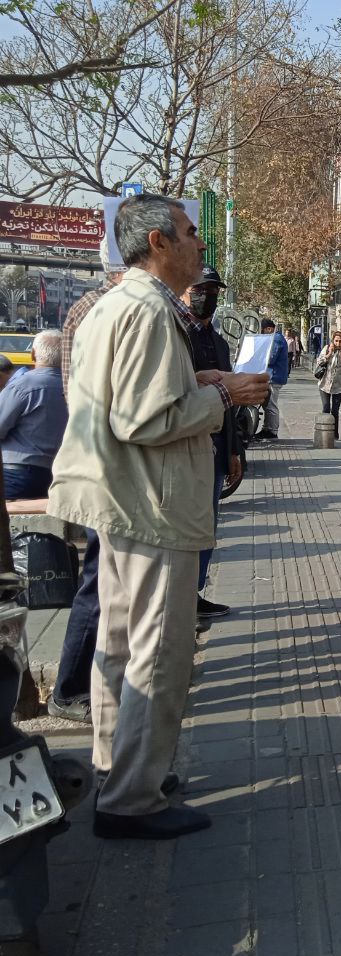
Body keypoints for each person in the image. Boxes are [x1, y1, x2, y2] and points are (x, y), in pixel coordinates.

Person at [47, 192, 269, 839]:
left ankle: (123, 772)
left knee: (118, 648)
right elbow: (144, 418)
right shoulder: (146, 312)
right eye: (191, 232)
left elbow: (133, 400)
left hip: (123, 501)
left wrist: (199, 384)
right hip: (153, 505)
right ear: (159, 244)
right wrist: (223, 392)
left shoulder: (116, 305)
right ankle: (133, 798)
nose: (202, 243)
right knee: (155, 654)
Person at [46, 245, 125, 725]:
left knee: (107, 585)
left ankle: (92, 685)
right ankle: (71, 688)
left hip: (108, 464)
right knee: (99, 584)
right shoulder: (99, 309)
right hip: (106, 466)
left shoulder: (96, 308)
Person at [183, 265, 240, 620]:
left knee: (208, 527)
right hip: (187, 446)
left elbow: (229, 400)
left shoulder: (218, 342)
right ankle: (182, 596)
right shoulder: (178, 336)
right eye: (202, 289)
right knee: (188, 526)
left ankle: (196, 593)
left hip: (218, 447)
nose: (209, 297)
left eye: (214, 291)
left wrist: (234, 450)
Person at [0, 331, 67, 499]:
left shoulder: (23, 385)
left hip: (16, 474)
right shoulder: (76, 388)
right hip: (59, 477)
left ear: (33, 354)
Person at [256, 318, 290, 441]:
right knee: (267, 404)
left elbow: (270, 358)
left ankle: (272, 430)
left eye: (263, 331)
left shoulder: (276, 339)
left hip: (273, 376)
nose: (262, 334)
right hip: (272, 376)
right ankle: (266, 428)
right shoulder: (276, 338)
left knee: (271, 404)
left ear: (269, 329)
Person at [316, 329, 341, 439]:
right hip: (325, 384)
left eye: (340, 341)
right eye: (336, 341)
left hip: (339, 386)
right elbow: (319, 362)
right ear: (333, 340)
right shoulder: (327, 348)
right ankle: (324, 432)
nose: (338, 343)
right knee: (326, 407)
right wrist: (328, 354)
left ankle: (334, 433)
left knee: (335, 410)